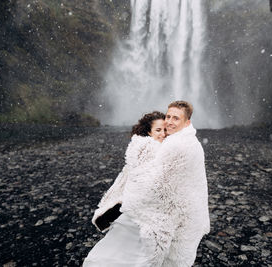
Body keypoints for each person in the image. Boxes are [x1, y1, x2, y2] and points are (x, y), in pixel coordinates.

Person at [120, 101, 210, 266]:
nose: (169, 121)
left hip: (183, 219)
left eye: (176, 118)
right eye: (168, 116)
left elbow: (154, 184)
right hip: (193, 213)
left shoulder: (177, 144)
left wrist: (129, 199)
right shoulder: (190, 140)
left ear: (187, 122)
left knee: (172, 260)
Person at [83, 111, 166, 266]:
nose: (163, 134)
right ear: (149, 132)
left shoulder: (141, 149)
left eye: (165, 130)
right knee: (136, 252)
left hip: (139, 212)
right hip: (142, 213)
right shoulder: (148, 150)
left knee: (123, 250)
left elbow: (123, 180)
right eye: (158, 130)